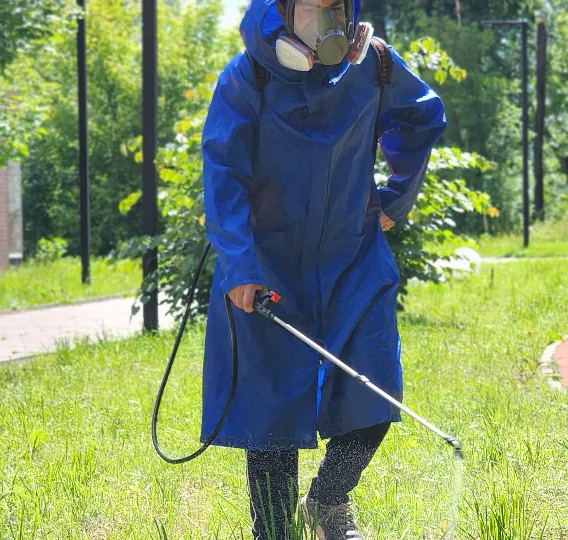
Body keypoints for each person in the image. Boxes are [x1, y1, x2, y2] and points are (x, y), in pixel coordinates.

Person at [200, 0, 447, 537]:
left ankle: (328, 503)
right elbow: (223, 173)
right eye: (314, 6)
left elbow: (425, 115)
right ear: (284, 10)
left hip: (353, 259)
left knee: (376, 390)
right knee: (271, 410)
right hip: (268, 266)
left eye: (337, 5)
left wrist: (394, 200)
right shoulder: (249, 77)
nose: (327, 19)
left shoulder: (373, 66)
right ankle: (275, 530)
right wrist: (240, 264)